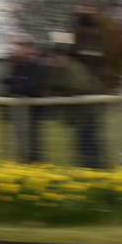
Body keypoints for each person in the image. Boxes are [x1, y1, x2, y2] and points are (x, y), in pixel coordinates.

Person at [41, 39, 104, 168]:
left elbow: (81, 86)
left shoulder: (73, 67)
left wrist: (59, 88)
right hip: (78, 116)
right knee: (81, 145)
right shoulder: (58, 69)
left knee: (89, 144)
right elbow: (48, 87)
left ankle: (95, 169)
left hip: (88, 113)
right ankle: (86, 168)